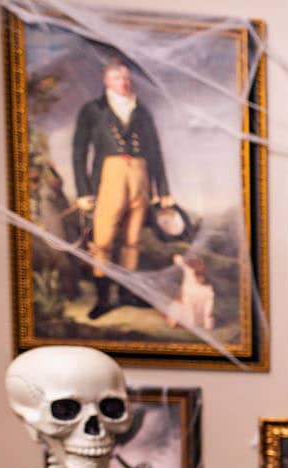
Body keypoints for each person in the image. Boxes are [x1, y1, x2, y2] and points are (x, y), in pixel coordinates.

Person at [72, 59, 172, 320]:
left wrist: (163, 189)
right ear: (106, 81)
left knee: (132, 240)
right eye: (117, 78)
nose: (124, 83)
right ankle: (104, 298)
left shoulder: (142, 112)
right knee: (103, 240)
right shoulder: (93, 110)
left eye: (127, 78)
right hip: (110, 176)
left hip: (141, 177)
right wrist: (83, 191)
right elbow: (79, 151)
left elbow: (155, 151)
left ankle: (127, 293)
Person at [164, 254, 213, 331]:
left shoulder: (200, 274)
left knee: (186, 307)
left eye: (198, 263)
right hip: (187, 295)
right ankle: (176, 322)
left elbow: (178, 259)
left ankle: (188, 323)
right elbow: (177, 259)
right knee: (179, 306)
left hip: (191, 296)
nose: (197, 265)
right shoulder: (188, 269)